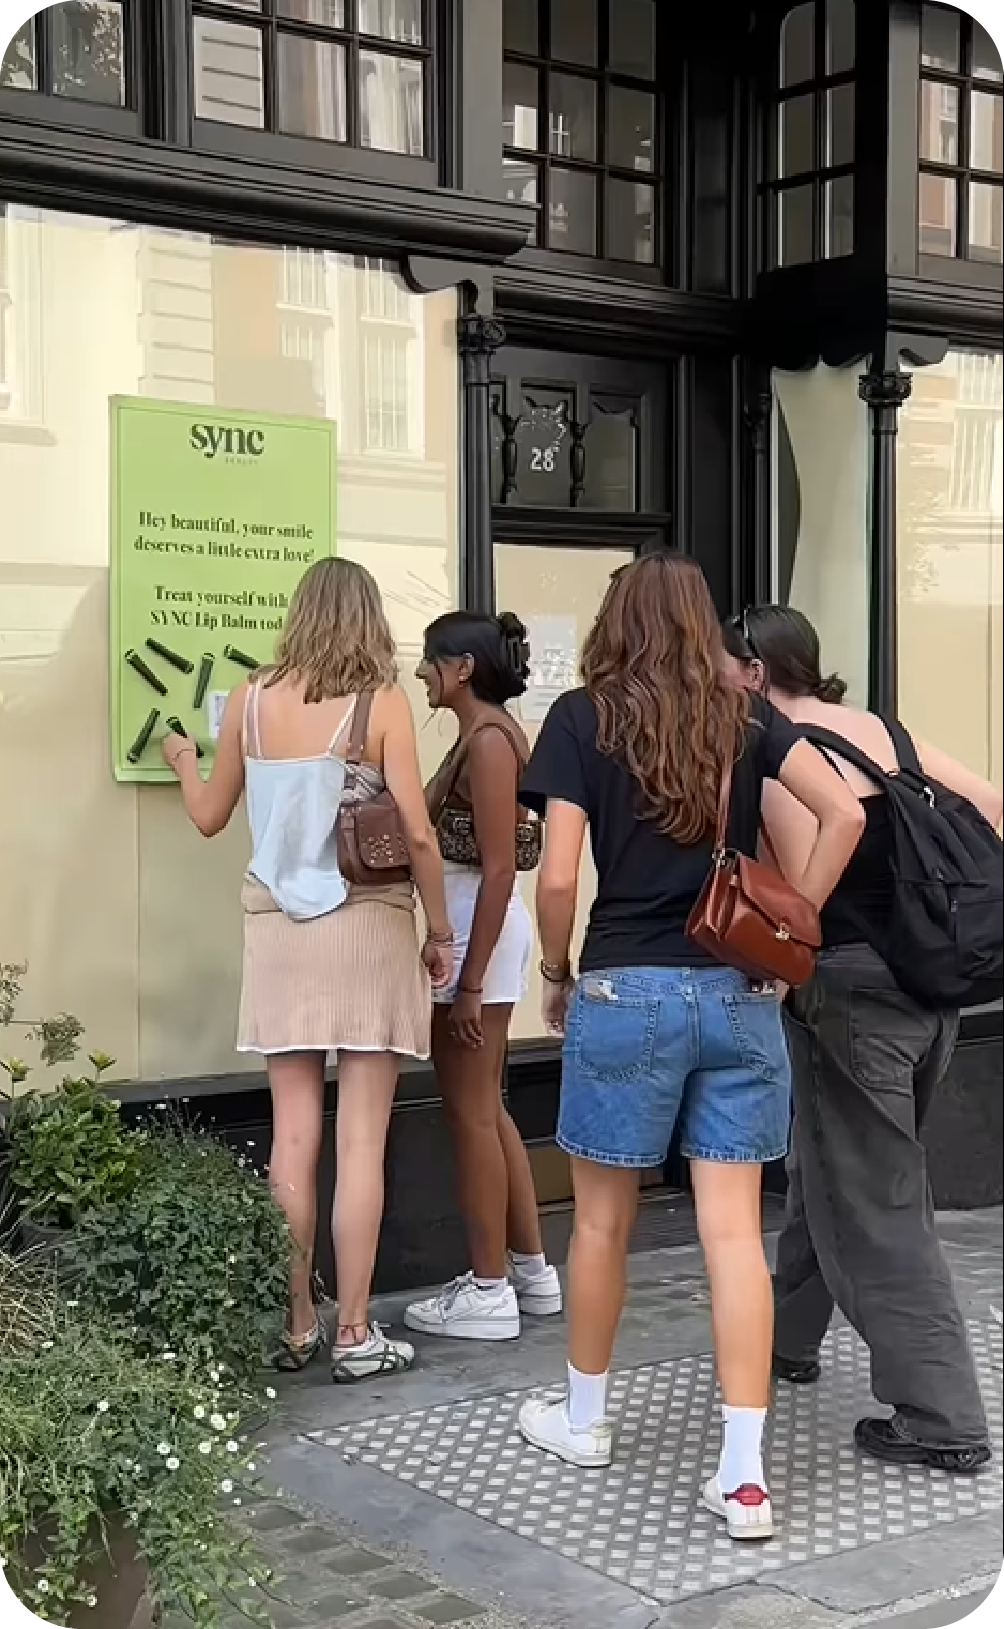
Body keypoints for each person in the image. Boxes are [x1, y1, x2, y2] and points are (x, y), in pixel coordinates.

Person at [514, 554, 864, 1542]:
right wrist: (789, 920)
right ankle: (744, 1478)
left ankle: (583, 1423)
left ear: (614, 620)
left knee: (597, 1225)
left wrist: (555, 968)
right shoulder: (742, 716)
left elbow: (553, 878)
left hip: (624, 985)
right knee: (730, 1233)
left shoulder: (581, 718)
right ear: (700, 623)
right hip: (737, 992)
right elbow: (841, 811)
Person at [162, 557, 454, 1383]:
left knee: (293, 1136)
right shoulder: (382, 702)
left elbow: (213, 816)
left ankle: (297, 1326)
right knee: (363, 1138)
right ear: (367, 618)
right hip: (366, 928)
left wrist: (185, 758)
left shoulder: (251, 700)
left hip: (279, 933)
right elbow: (421, 836)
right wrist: (439, 929)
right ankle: (355, 1332)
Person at [730, 604, 999, 1473]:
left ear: (758, 673)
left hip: (852, 992)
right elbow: (992, 805)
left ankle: (941, 1414)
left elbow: (792, 863)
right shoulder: (885, 730)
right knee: (833, 1166)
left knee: (877, 1202)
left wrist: (799, 929)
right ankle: (784, 1339)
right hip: (933, 991)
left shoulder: (778, 750)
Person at [404, 612, 562, 1341]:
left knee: (469, 1113)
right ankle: (529, 1272)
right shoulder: (485, 733)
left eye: (431, 660)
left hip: (477, 934)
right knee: (488, 1108)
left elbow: (499, 867)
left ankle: (488, 1289)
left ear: (462, 667)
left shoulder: (491, 740)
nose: (420, 673)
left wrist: (467, 984)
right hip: (480, 933)